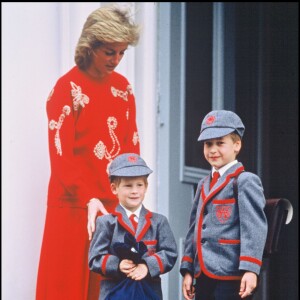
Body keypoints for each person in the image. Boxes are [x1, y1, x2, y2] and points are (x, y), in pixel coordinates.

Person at [36, 5, 141, 300]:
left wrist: (131, 200)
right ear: (90, 45)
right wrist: (89, 199)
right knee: (64, 290)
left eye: (121, 53)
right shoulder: (67, 88)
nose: (117, 60)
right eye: (109, 52)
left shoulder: (124, 89)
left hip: (110, 209)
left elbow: (131, 149)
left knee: (108, 290)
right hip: (71, 207)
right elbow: (61, 159)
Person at [180, 110, 268, 300]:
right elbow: (194, 228)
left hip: (232, 273)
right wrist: (187, 268)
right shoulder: (204, 183)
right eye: (208, 144)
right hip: (202, 273)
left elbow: (254, 229)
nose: (212, 150)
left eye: (220, 143)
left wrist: (251, 269)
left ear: (237, 145)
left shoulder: (245, 180)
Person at [89, 152, 178, 300]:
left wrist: (147, 266)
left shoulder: (159, 221)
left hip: (148, 292)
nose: (134, 191)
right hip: (114, 293)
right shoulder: (106, 222)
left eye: (139, 185)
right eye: (128, 186)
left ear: (146, 187)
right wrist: (117, 264)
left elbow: (170, 253)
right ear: (114, 188)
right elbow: (95, 258)